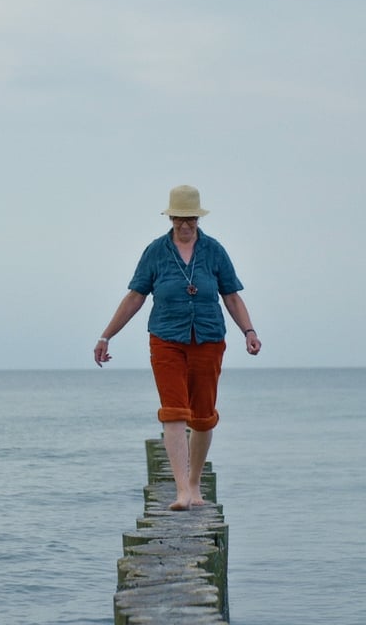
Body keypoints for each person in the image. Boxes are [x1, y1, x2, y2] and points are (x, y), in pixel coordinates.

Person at [94, 185, 262, 511]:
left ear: (198, 219)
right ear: (171, 217)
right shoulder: (155, 252)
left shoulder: (214, 251)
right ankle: (182, 490)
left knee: (202, 417)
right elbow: (135, 297)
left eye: (191, 220)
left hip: (209, 339)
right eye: (179, 219)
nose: (185, 226)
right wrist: (106, 336)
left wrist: (249, 331)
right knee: (173, 411)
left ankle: (195, 483)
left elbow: (231, 296)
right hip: (166, 340)